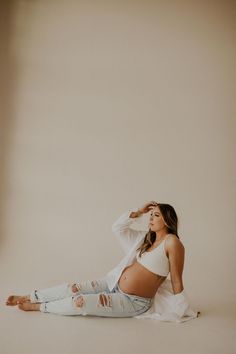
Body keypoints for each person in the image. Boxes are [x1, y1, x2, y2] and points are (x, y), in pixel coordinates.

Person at [6, 201, 194, 319]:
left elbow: (177, 279)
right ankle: (31, 295)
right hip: (113, 282)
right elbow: (117, 228)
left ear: (168, 220)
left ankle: (39, 307)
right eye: (150, 215)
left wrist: (182, 309)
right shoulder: (145, 239)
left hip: (132, 301)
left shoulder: (172, 243)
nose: (150, 219)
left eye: (156, 215)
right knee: (73, 288)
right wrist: (137, 212)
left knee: (79, 302)